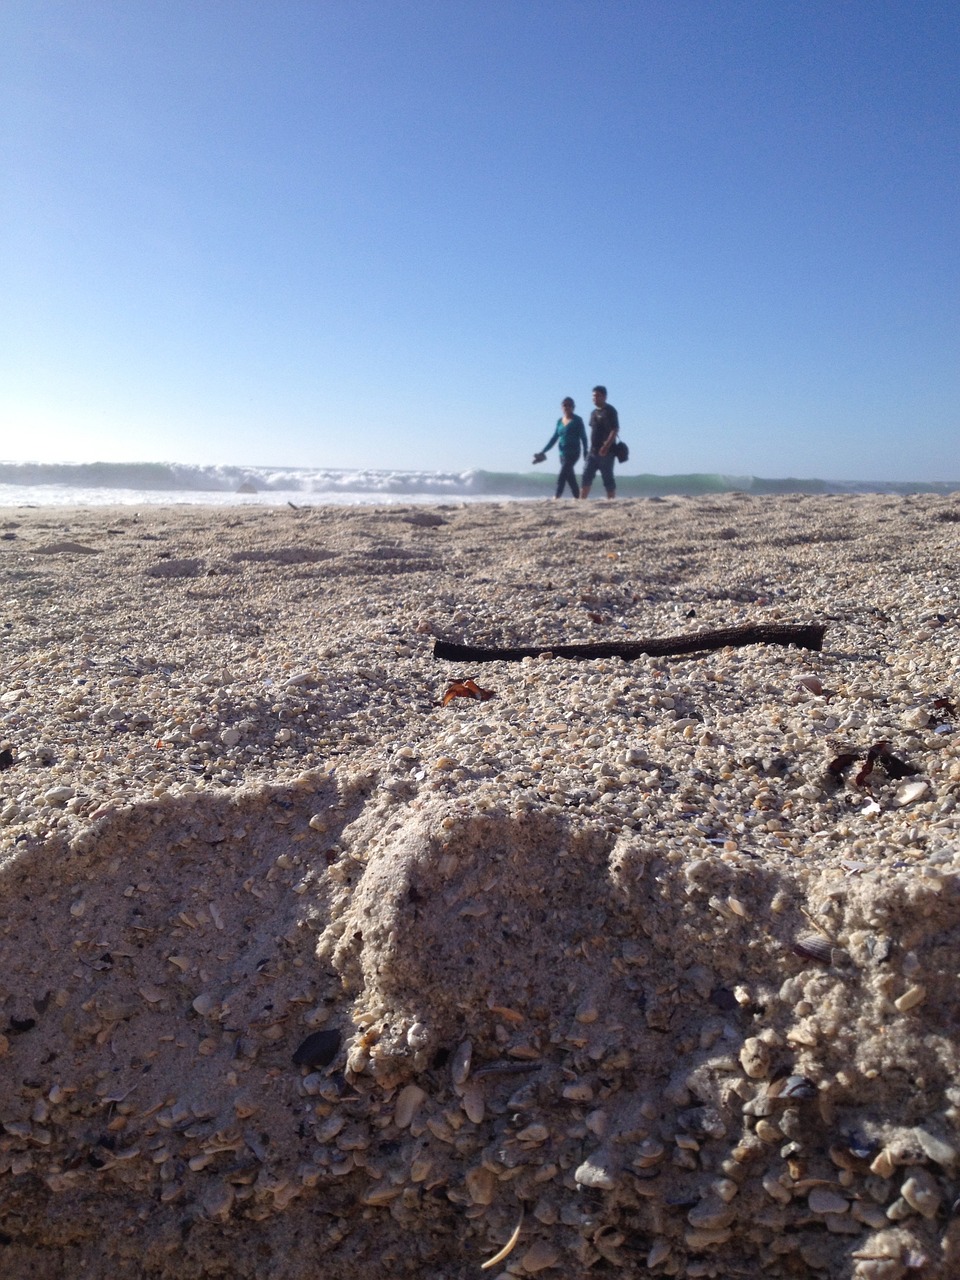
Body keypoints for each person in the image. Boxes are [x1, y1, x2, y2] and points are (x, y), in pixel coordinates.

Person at [532, 397, 589, 499]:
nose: (567, 407)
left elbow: (584, 438)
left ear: (573, 407)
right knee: (570, 478)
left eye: (569, 405)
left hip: (574, 453)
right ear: (561, 407)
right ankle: (578, 498)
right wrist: (543, 451)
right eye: (564, 405)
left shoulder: (577, 420)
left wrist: (585, 452)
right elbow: (554, 438)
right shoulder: (559, 421)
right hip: (562, 454)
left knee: (562, 475)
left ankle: (556, 497)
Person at [580, 385, 620, 499]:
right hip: (592, 452)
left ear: (604, 397)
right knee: (586, 476)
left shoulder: (610, 410)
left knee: (608, 478)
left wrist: (606, 446)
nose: (595, 398)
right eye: (593, 396)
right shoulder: (593, 413)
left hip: (607, 452)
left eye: (598, 396)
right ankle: (581, 501)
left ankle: (611, 501)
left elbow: (615, 429)